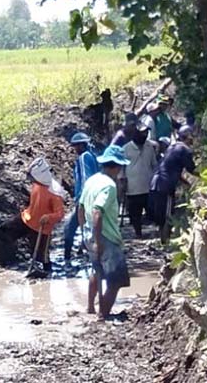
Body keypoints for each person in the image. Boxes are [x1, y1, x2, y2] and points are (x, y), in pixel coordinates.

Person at [78, 145, 131, 318]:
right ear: (117, 166)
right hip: (105, 237)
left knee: (97, 270)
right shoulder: (109, 186)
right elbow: (97, 211)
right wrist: (98, 241)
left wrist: (85, 233)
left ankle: (90, 308)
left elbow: (80, 208)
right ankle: (104, 314)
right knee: (115, 280)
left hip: (89, 234)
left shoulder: (92, 180)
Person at [0, 157, 66, 271]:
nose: (31, 180)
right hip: (27, 218)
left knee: (43, 257)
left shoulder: (54, 192)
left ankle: (46, 273)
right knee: (4, 231)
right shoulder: (37, 184)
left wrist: (48, 217)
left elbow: (60, 214)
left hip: (42, 227)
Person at [149, 126, 197, 244]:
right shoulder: (185, 149)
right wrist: (206, 176)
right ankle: (165, 242)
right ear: (188, 136)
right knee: (168, 213)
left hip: (156, 182)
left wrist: (186, 183)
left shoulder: (172, 147)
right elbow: (191, 169)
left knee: (162, 212)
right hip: (165, 185)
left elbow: (171, 168)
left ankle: (163, 240)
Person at [63, 132, 99, 268]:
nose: (75, 149)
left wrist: (82, 200)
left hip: (84, 199)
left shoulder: (84, 158)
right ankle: (85, 250)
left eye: (76, 146)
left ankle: (67, 258)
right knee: (87, 226)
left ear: (81, 145)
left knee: (69, 228)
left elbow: (85, 178)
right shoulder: (92, 156)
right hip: (91, 198)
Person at [121, 123, 158, 239]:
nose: (145, 135)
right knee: (135, 213)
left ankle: (153, 234)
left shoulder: (149, 147)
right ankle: (138, 233)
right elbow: (121, 168)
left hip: (148, 186)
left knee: (151, 212)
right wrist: (122, 183)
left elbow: (154, 164)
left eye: (146, 133)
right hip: (133, 187)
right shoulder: (126, 149)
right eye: (142, 133)